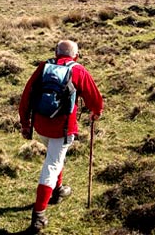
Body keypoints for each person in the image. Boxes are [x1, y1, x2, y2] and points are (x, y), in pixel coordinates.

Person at [19, 39, 103, 233]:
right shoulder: (78, 70)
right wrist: (96, 111)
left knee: (55, 156)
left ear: (56, 53)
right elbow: (94, 98)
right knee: (52, 165)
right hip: (63, 128)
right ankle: (38, 215)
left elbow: (26, 96)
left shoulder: (43, 67)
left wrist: (25, 124)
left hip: (41, 125)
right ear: (76, 55)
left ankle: (57, 190)